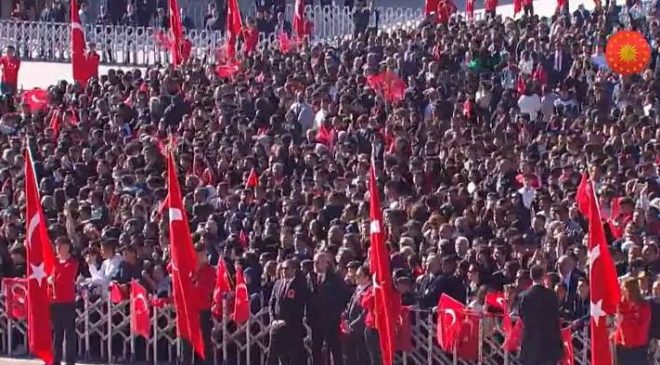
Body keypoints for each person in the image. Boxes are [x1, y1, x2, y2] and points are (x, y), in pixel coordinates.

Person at [519, 265, 563, 365]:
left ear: (531, 276)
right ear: (544, 276)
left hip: (530, 341)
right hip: (549, 342)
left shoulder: (523, 296)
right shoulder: (551, 295)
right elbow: (555, 317)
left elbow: (522, 316)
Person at [268, 259, 309, 365]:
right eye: (282, 269)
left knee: (294, 358)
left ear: (294, 270)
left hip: (293, 329)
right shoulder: (278, 283)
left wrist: (286, 321)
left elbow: (299, 306)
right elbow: (271, 303)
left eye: (286, 269)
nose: (284, 271)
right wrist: (273, 320)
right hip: (277, 328)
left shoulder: (300, 285)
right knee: (280, 357)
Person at [183, 243, 216, 365]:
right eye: (197, 253)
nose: (200, 256)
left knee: (204, 342)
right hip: (189, 311)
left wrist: (194, 288)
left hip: (203, 311)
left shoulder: (210, 271)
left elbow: (208, 289)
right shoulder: (188, 271)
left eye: (202, 253)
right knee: (187, 343)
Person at [50, 237, 79, 365]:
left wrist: (52, 280)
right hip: (55, 302)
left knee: (69, 333)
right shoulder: (54, 262)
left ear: (67, 247)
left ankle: (70, 360)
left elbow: (65, 279)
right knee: (57, 333)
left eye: (60, 246)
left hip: (67, 302)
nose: (58, 249)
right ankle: (56, 359)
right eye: (57, 246)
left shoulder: (72, 262)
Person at [614, 277, 652, 365]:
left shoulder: (643, 306)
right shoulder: (623, 303)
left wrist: (625, 319)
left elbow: (640, 324)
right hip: (622, 345)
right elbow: (619, 314)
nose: (622, 292)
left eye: (624, 289)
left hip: (637, 346)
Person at [343, 264, 370, 365]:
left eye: (358, 276)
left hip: (361, 331)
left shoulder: (369, 290)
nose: (355, 278)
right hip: (351, 330)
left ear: (367, 277)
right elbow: (350, 306)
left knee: (362, 358)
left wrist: (352, 325)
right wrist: (345, 319)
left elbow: (365, 313)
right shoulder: (357, 289)